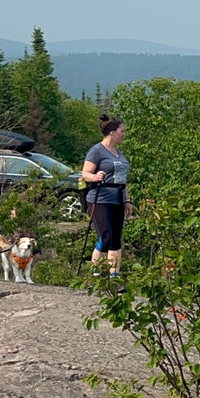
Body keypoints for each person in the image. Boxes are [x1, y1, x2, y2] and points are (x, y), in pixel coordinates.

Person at [82, 115, 133, 277]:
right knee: (106, 236)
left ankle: (115, 276)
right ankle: (96, 272)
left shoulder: (119, 153)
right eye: (122, 131)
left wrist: (127, 200)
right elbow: (85, 174)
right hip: (100, 197)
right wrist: (95, 177)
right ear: (112, 133)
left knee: (116, 238)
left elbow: (123, 180)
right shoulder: (97, 151)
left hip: (117, 198)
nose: (124, 134)